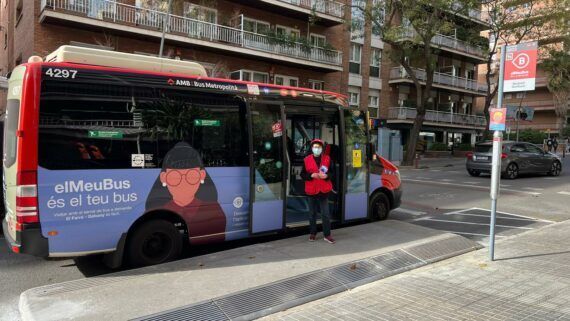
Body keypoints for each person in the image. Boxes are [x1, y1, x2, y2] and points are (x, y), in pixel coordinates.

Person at [146, 142, 226, 244]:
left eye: (191, 175)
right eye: (175, 176)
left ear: (201, 176)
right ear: (163, 178)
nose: (183, 183)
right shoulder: (157, 211)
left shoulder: (214, 209)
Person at [301, 139, 335, 244]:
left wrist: (326, 176)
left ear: (322, 149)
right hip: (311, 191)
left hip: (323, 191)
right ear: (312, 148)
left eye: (319, 147)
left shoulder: (327, 159)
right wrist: (311, 175)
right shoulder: (306, 160)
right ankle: (313, 233)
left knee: (325, 214)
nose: (317, 149)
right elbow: (302, 175)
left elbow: (332, 173)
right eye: (315, 147)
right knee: (312, 214)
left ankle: (327, 235)